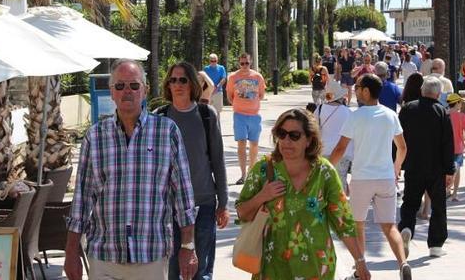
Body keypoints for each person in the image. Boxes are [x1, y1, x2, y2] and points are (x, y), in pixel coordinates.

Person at [65, 59, 198, 280]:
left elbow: (184, 196)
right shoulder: (95, 137)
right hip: (104, 255)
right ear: (112, 92)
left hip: (151, 255)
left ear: (145, 90)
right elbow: (82, 199)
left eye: (134, 86)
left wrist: (188, 246)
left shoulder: (167, 132)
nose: (127, 91)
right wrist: (71, 252)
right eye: (120, 86)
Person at [236, 109, 370, 280]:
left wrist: (359, 260)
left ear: (309, 140)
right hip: (273, 268)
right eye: (281, 134)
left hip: (316, 267)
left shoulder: (324, 172)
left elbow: (343, 221)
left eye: (294, 135)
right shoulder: (263, 169)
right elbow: (242, 212)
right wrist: (262, 196)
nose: (286, 141)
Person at [329, 74, 412, 280]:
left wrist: (326, 167)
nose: (355, 90)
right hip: (385, 177)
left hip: (361, 178)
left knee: (358, 224)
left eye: (357, 87)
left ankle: (360, 270)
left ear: (366, 91)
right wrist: (396, 168)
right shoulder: (390, 114)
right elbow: (402, 147)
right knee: (389, 225)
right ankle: (403, 264)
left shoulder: (355, 117)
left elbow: (340, 148)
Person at [157, 62, 229, 280]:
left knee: (201, 271)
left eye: (183, 79)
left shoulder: (207, 115)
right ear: (167, 85)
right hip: (168, 208)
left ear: (192, 84)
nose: (177, 84)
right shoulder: (159, 118)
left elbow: (217, 160)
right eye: (173, 80)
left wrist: (223, 203)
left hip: (203, 203)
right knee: (172, 271)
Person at [397, 76, 455, 259]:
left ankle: (406, 227)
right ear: (438, 94)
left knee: (410, 202)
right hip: (436, 168)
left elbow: (397, 138)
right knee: (438, 205)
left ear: (422, 90)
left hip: (413, 165)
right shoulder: (442, 112)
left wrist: (397, 163)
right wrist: (450, 170)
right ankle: (436, 245)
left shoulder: (407, 109)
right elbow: (448, 144)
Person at [227, 52, 267, 185]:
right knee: (242, 142)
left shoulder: (257, 76)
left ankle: (251, 171)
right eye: (242, 63)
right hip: (239, 115)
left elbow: (261, 94)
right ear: (239, 63)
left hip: (254, 115)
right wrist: (239, 105)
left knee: (254, 144)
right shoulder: (233, 77)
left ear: (251, 63)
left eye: (247, 63)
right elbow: (230, 95)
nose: (244, 66)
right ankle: (243, 174)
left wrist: (252, 103)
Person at [315, 81, 353, 192]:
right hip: (343, 153)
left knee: (323, 184)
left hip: (323, 151)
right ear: (341, 97)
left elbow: (313, 129)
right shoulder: (348, 112)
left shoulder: (320, 109)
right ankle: (339, 207)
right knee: (339, 182)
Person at [446, 93, 465, 201]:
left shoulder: (444, 115)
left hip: (446, 148)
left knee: (445, 170)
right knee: (457, 169)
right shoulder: (462, 116)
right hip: (459, 147)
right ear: (456, 103)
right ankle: (455, 194)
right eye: (460, 102)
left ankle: (446, 190)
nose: (461, 105)